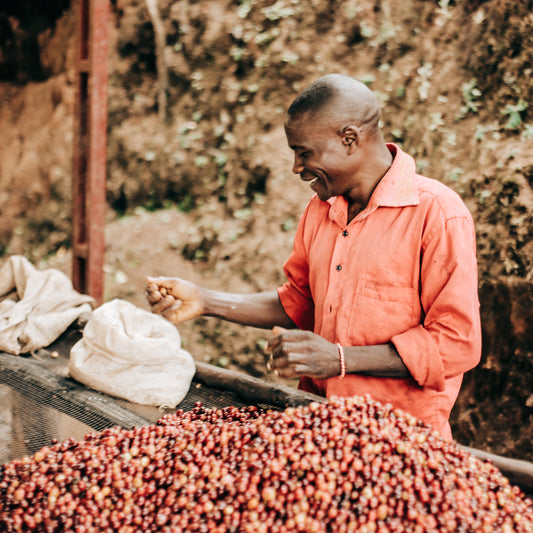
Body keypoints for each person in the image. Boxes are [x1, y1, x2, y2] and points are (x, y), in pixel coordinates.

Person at [145, 73, 482, 440]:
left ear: (350, 139)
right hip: (317, 430)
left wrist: (340, 359)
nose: (296, 167)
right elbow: (300, 304)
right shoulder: (320, 211)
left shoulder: (437, 214)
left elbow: (456, 344)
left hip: (401, 443)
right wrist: (206, 301)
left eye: (305, 152)